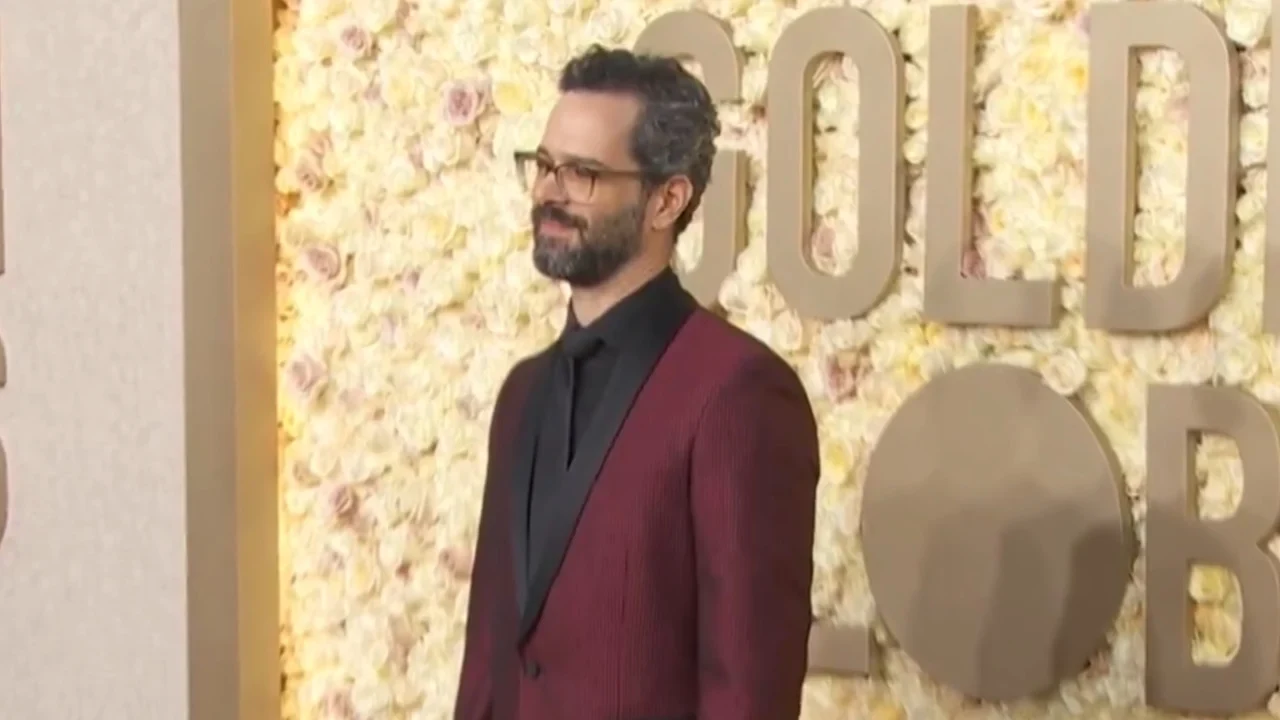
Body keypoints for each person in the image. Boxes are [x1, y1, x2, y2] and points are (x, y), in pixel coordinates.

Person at [455, 44, 820, 720]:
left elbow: (750, 691)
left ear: (666, 200)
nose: (548, 191)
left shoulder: (738, 393)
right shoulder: (522, 393)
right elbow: (490, 656)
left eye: (583, 173)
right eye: (544, 165)